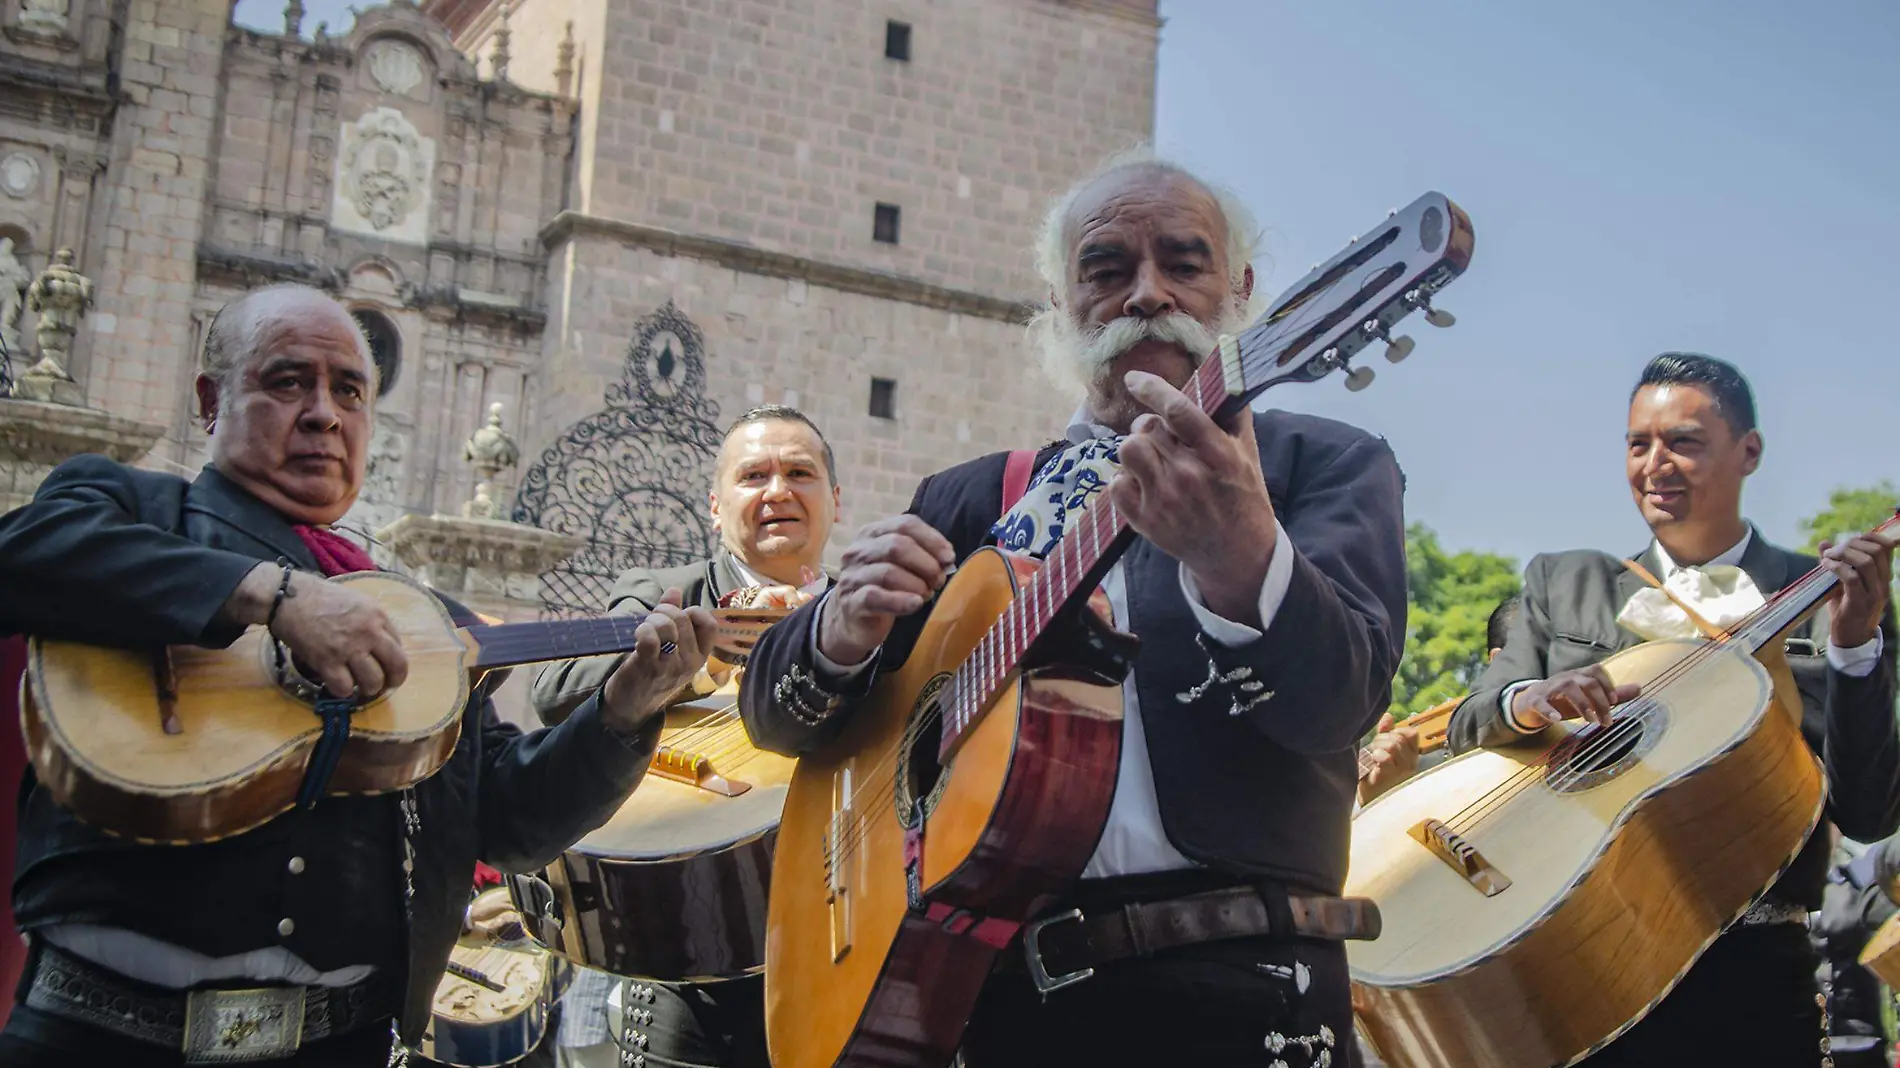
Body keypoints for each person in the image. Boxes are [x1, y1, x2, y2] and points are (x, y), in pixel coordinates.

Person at [738, 152, 1408, 1066]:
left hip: (1249, 997)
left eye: (1183, 262)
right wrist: (836, 630)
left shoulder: (1315, 466)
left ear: (1240, 290)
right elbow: (773, 716)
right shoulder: (972, 501)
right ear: (1059, 302)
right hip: (1002, 1009)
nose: (1146, 293)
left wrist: (1238, 550)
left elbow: (1339, 703)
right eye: (1106, 269)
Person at [0, 284, 717, 1066]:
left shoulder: (424, 621)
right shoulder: (129, 506)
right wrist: (268, 595)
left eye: (349, 390)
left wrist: (624, 708)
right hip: (94, 1040)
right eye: (286, 381)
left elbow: (508, 819)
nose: (323, 414)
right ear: (211, 401)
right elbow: (23, 556)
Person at [1447, 352, 1900, 1066]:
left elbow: (1870, 810)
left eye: (1683, 441)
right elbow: (1466, 723)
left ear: (1748, 452)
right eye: (1638, 444)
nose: (1655, 463)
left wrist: (1853, 648)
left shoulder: (1829, 601)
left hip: (1753, 978)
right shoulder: (1562, 583)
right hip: (1579, 966)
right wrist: (1526, 701)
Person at [530, 404, 841, 1068]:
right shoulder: (664, 594)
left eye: (799, 473)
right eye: (753, 475)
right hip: (693, 943)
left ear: (835, 501)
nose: (777, 491)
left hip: (841, 931)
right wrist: (681, 666)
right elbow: (554, 690)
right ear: (715, 505)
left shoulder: (868, 614)